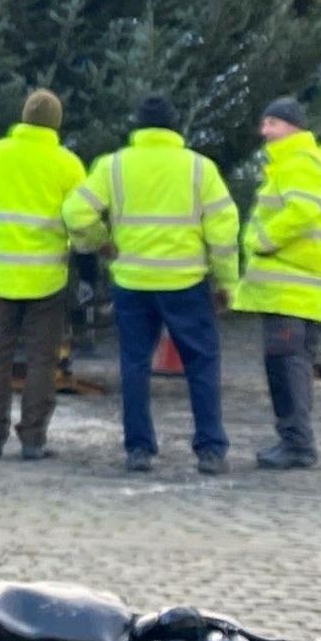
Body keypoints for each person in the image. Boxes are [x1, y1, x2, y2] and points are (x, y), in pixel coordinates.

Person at [62, 94, 239, 476]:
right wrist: (226, 282)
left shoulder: (113, 166)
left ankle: (138, 449)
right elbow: (224, 231)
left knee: (135, 364)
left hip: (132, 281)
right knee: (202, 364)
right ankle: (210, 450)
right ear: (177, 126)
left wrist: (100, 240)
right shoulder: (199, 168)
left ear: (138, 127)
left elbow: (75, 212)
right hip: (186, 282)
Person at [0, 87, 86, 459]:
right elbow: (81, 225)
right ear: (56, 123)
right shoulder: (68, 164)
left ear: (23, 117)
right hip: (47, 280)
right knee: (43, 360)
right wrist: (87, 274)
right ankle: (33, 440)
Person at [238, 98, 321, 471]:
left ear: (293, 127)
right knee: (289, 364)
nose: (265, 132)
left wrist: (261, 239)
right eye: (264, 124)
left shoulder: (299, 161)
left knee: (287, 366)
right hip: (297, 285)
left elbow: (301, 211)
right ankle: (294, 440)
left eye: (273, 124)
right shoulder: (296, 161)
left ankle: (297, 443)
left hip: (292, 286)